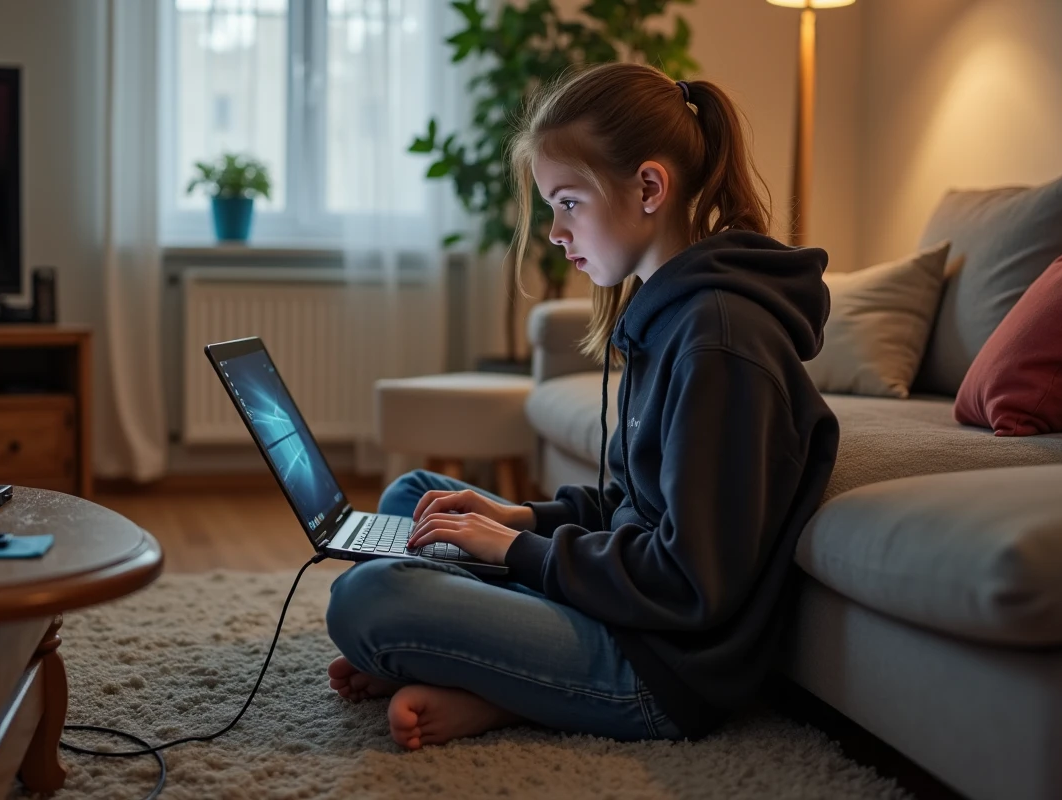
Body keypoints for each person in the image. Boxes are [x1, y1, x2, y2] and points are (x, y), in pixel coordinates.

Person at [325, 62, 840, 751]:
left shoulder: (719, 344)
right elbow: (635, 508)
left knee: (367, 600)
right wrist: (524, 517)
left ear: (649, 187)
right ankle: (494, 673)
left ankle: (504, 688)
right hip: (616, 609)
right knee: (416, 496)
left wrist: (518, 552)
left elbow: (690, 582)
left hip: (659, 669)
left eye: (568, 202)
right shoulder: (669, 315)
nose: (556, 233)